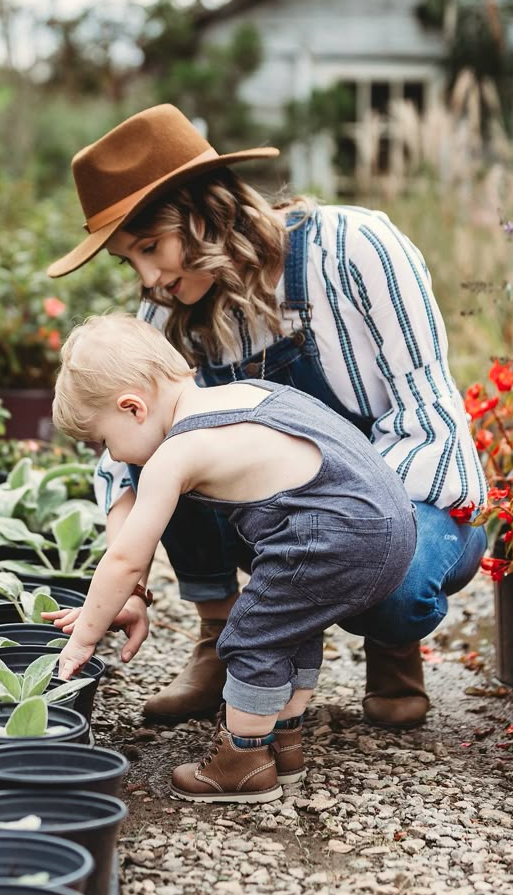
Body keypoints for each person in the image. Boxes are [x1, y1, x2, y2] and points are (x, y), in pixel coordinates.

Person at [46, 103, 487, 730]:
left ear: (208, 208)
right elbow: (122, 462)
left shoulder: (356, 248)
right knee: (158, 450)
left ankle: (392, 645)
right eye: (129, 261)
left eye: (152, 247)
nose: (148, 279)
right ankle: (221, 639)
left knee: (394, 592)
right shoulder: (168, 315)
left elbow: (430, 414)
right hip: (292, 522)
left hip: (400, 503)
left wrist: (347, 526)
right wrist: (130, 583)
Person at [50, 313, 418, 802]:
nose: (113, 458)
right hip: (391, 525)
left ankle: (241, 762)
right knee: (291, 627)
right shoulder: (245, 394)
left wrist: (82, 642)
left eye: (103, 441)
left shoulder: (177, 453)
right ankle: (284, 744)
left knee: (251, 637)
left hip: (332, 533)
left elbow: (125, 561)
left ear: (133, 408)